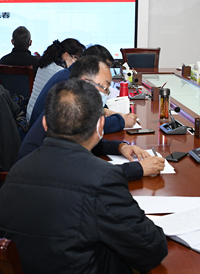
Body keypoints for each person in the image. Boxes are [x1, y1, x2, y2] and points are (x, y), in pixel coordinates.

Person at [0, 78, 168, 274]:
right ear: (100, 126)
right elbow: (151, 250)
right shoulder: (101, 179)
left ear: (45, 123)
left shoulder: (16, 171)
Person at [18, 55, 166, 180]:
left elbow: (86, 142)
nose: (105, 94)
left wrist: (120, 147)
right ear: (85, 82)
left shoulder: (74, 101)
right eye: (104, 88)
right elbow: (88, 175)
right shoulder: (68, 109)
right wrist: (138, 169)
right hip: (38, 181)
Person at [29, 44, 138, 131]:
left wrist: (104, 110)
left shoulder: (73, 73)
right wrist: (122, 121)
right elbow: (87, 125)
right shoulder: (69, 82)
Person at [25, 37, 84, 121]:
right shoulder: (61, 73)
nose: (77, 63)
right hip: (39, 119)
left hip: (30, 114)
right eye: (76, 58)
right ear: (66, 56)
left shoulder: (47, 64)